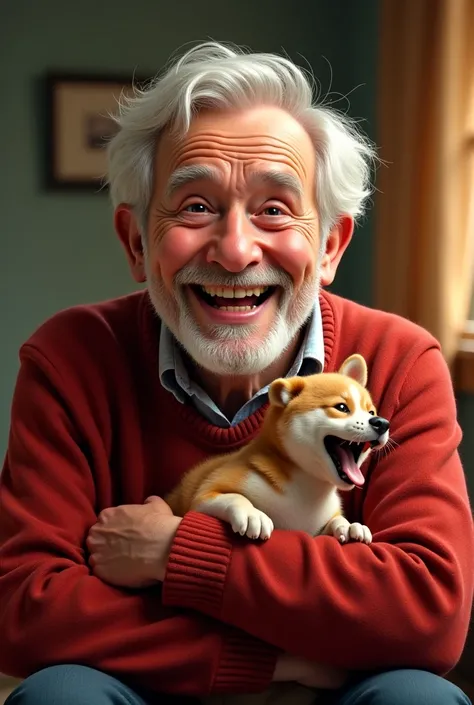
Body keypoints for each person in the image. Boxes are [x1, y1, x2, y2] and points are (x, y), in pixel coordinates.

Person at [0, 41, 472, 705]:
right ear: (137, 243)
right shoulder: (70, 357)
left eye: (275, 208)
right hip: (156, 689)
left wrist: (176, 552)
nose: (235, 250)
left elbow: (428, 611)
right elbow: (28, 609)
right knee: (61, 694)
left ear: (330, 245)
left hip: (339, 694)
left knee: (417, 696)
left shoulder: (400, 361)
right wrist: (277, 658)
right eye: (195, 206)